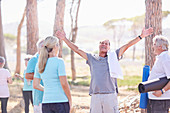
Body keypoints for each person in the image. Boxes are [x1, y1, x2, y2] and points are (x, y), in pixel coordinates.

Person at [56, 27, 153, 113]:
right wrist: (64, 39)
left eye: (106, 44)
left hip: (110, 95)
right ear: (98, 45)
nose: (103, 45)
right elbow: (77, 49)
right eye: (102, 43)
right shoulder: (92, 58)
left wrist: (141, 36)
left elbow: (127, 45)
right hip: (95, 95)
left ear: (109, 47)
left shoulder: (113, 56)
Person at [33, 36, 72, 113]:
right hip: (61, 101)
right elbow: (64, 84)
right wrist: (70, 99)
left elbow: (35, 85)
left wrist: (48, 89)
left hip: (46, 103)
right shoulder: (59, 62)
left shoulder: (39, 64)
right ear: (55, 46)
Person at [146, 35, 170, 113]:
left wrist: (162, 91)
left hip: (161, 100)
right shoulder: (160, 58)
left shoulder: (165, 58)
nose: (153, 47)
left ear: (159, 46)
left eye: (154, 44)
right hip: (155, 98)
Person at [25, 39, 44, 113]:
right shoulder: (34, 59)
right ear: (42, 47)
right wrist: (41, 75)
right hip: (39, 96)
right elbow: (27, 75)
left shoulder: (49, 58)